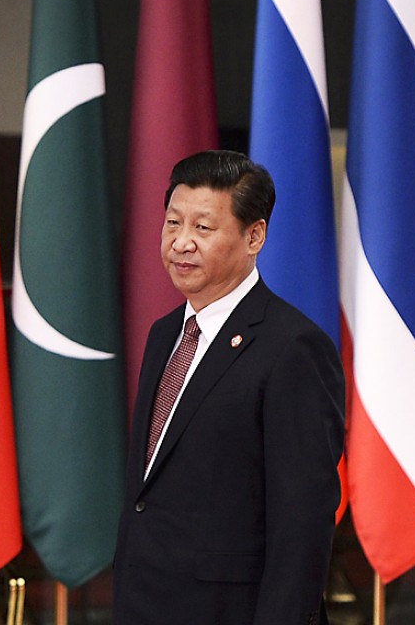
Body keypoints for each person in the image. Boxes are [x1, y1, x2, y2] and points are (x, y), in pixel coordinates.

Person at [112, 150, 345, 625]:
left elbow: (302, 522)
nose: (181, 243)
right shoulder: (164, 335)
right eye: (173, 223)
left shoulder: (293, 347)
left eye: (202, 228)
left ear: (254, 235)